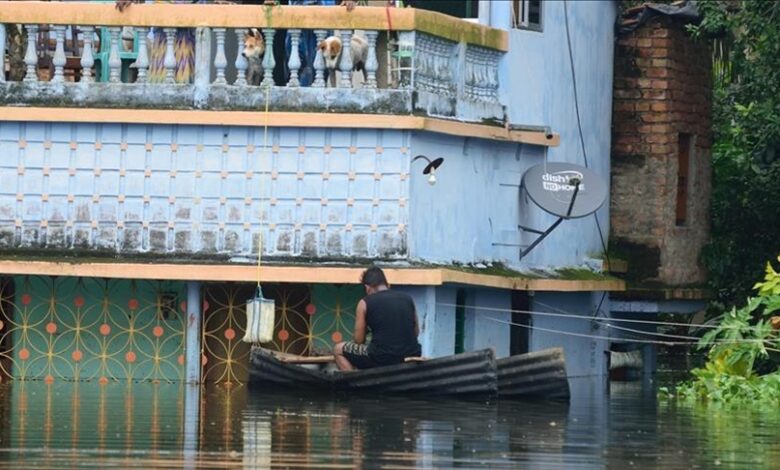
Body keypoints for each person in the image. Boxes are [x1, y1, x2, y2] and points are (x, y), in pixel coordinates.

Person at [333, 266, 421, 371]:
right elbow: (416, 332)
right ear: (387, 285)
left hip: (381, 356)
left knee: (338, 349)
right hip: (412, 353)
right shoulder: (407, 298)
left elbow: (359, 340)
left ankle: (353, 384)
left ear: (367, 287)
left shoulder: (364, 303)